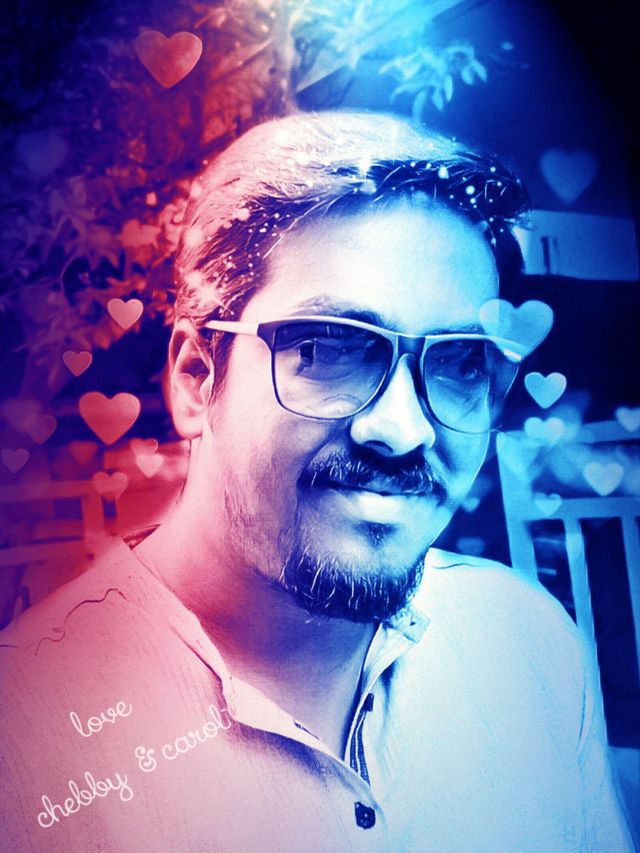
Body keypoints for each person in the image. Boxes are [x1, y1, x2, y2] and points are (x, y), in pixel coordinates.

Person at [0, 111, 633, 852]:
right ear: (197, 378)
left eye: (461, 363)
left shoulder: (529, 646)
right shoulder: (24, 745)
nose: (403, 429)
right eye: (328, 348)